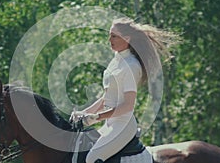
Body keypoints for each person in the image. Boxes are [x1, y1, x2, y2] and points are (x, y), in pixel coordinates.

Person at [70, 17, 180, 163]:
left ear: (127, 39)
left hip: (123, 126)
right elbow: (106, 98)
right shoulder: (116, 61)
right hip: (110, 124)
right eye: (109, 35)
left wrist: (97, 117)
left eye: (114, 36)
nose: (109, 39)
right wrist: (85, 113)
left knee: (91, 160)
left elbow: (127, 106)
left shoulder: (131, 66)